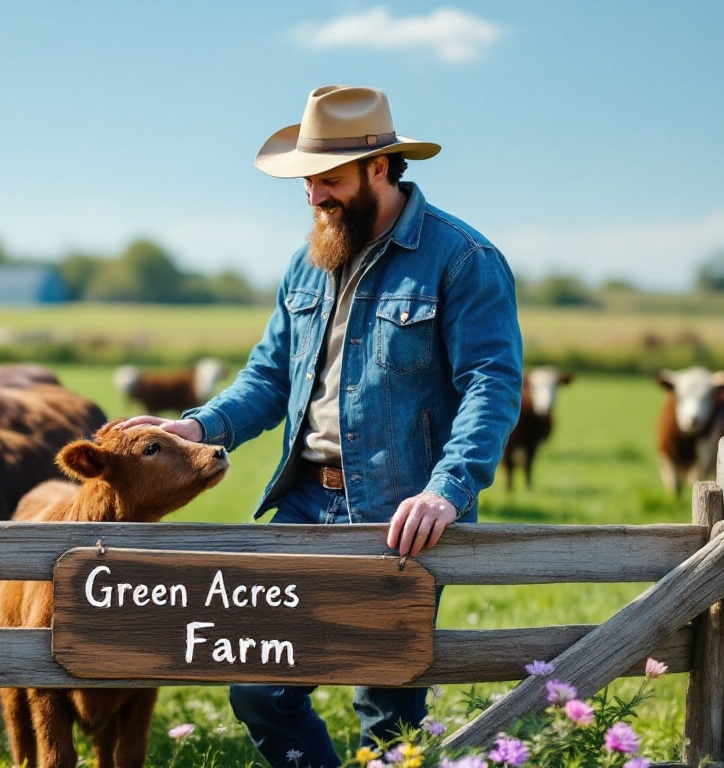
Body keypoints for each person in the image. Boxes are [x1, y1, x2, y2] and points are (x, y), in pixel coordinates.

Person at [119, 84, 523, 767]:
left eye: (328, 181)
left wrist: (446, 490)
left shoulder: (462, 259)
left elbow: (492, 384)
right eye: (306, 183)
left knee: (387, 703)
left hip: (405, 512)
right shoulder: (310, 260)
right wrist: (199, 426)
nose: (314, 198)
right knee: (258, 686)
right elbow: (270, 375)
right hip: (305, 502)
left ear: (380, 168)